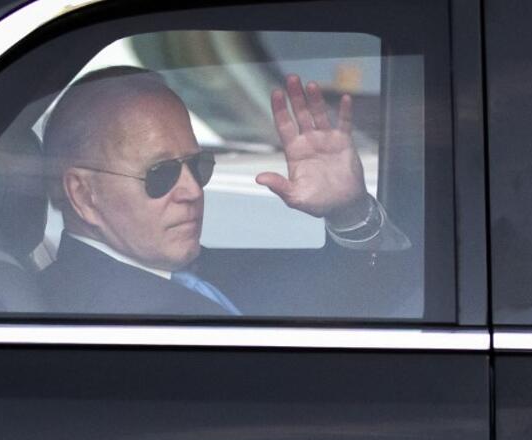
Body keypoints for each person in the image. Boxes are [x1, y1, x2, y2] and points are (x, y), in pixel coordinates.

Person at [40, 66, 412, 317]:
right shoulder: (100, 317)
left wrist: (348, 212)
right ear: (84, 195)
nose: (192, 190)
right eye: (161, 174)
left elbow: (372, 299)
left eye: (198, 166)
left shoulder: (188, 272)